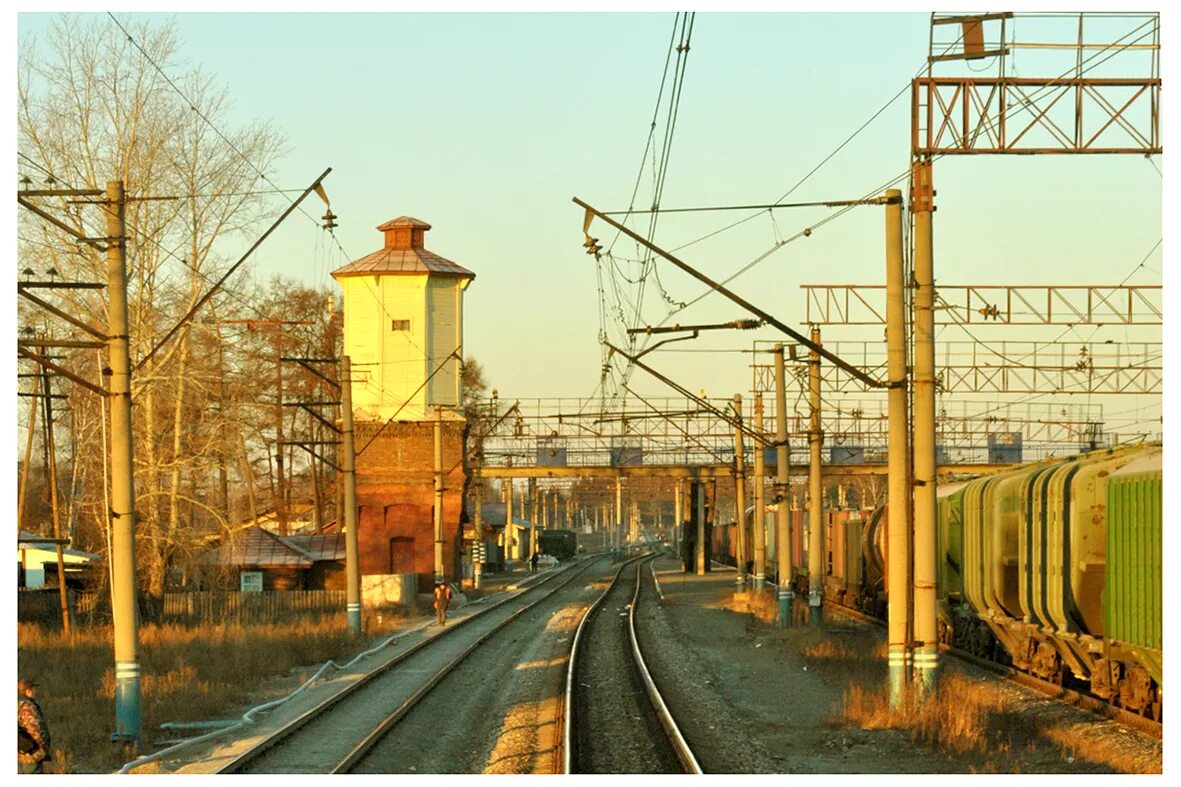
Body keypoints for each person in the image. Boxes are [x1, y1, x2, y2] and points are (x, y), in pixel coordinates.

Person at [18, 678, 50, 774]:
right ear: (28, 690)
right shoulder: (28, 707)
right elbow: (38, 732)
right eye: (34, 688)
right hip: (31, 756)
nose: (35, 691)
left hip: (20, 755)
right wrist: (43, 749)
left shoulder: (18, 705)